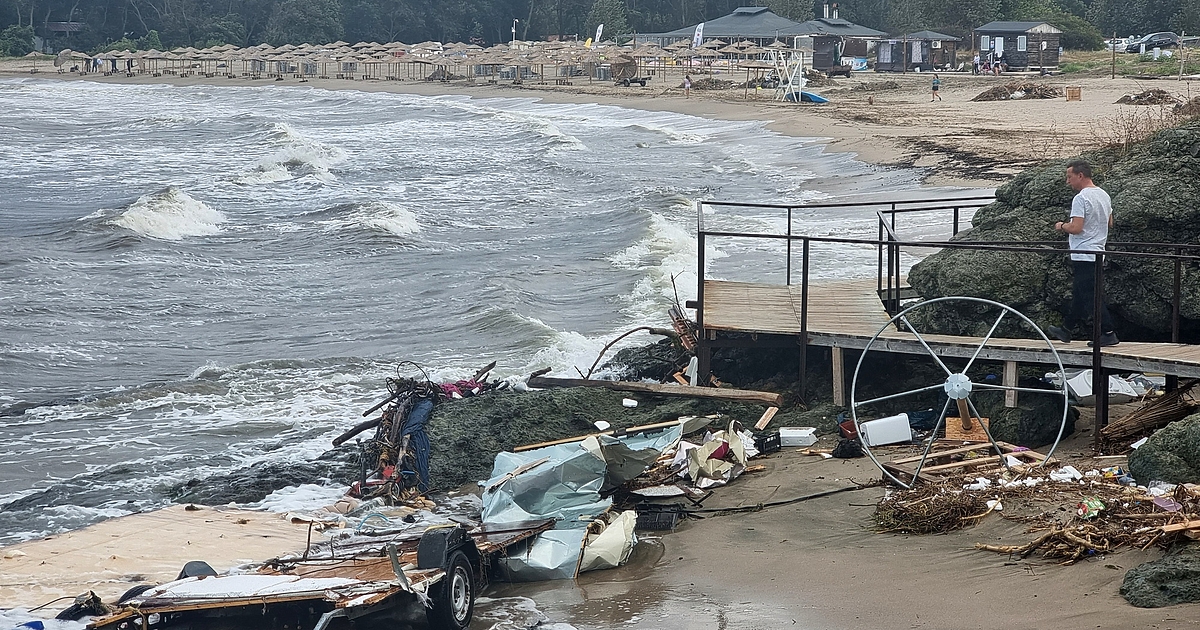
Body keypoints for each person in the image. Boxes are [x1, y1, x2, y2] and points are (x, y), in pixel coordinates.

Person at [1047, 159, 1119, 347]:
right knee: (1080, 294)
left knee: (1090, 297)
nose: (1068, 181)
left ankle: (1108, 332)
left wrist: (1061, 226)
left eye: (1069, 177)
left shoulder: (1081, 198)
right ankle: (1066, 329)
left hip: (1083, 252)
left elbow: (1076, 227)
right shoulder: (1104, 195)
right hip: (1097, 251)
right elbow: (1109, 222)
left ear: (1080, 175)